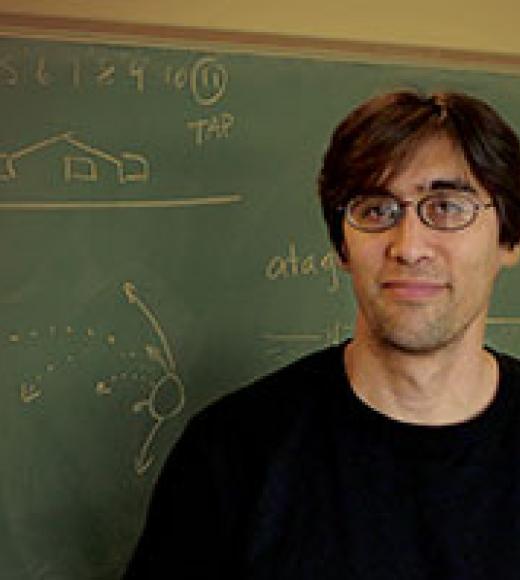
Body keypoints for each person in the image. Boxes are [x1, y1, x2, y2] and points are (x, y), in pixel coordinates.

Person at [123, 90, 520, 579]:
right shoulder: (233, 452)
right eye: (377, 210)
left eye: (447, 207)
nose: (409, 246)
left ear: (508, 238)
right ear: (342, 246)